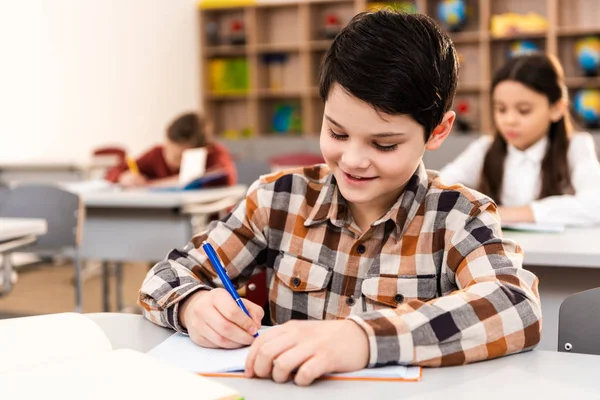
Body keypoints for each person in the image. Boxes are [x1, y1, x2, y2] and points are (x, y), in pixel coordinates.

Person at [138, 10, 541, 386]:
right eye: (337, 133)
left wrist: (362, 339)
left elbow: (515, 305)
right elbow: (165, 276)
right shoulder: (277, 199)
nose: (352, 160)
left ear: (438, 131)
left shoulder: (458, 216)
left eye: (384, 145)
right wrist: (193, 305)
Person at [439, 53, 600, 226]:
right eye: (501, 109)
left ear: (556, 109)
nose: (509, 120)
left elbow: (595, 204)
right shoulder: (485, 148)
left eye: (524, 110)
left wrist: (499, 213)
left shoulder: (575, 146)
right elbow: (439, 189)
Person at [105, 112, 236, 188]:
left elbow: (224, 180)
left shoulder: (215, 154)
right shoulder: (157, 154)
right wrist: (123, 177)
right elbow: (113, 172)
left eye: (179, 157)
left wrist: (152, 184)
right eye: (168, 150)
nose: (171, 161)